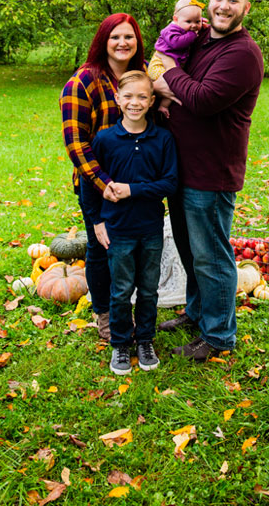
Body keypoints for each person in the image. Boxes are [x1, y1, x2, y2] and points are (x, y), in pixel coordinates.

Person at [153, 0, 264, 362]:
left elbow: (200, 100)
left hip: (211, 172)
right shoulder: (200, 40)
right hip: (181, 167)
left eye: (233, 0)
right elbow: (178, 73)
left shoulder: (243, 54)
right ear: (209, 2)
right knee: (189, 250)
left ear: (245, 8)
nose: (223, 6)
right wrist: (175, 79)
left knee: (211, 256)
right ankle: (198, 313)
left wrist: (168, 75)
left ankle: (218, 336)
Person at [60, 13, 147, 341]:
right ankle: (106, 316)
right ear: (103, 41)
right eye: (115, 37)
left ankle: (129, 307)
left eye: (129, 36)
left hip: (137, 181)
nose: (123, 43)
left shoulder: (143, 76)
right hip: (97, 181)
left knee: (134, 247)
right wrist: (103, 183)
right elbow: (76, 142)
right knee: (101, 248)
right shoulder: (83, 82)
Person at [89, 70, 178, 375]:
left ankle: (145, 339)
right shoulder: (104, 140)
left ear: (152, 101)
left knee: (149, 289)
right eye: (128, 96)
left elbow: (170, 183)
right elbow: (91, 185)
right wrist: (97, 221)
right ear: (117, 99)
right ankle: (121, 344)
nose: (135, 102)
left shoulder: (162, 139)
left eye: (142, 96)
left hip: (150, 228)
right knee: (121, 289)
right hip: (118, 229)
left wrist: (133, 190)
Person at [146, 0, 206, 117]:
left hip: (171, 64)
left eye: (197, 21)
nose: (193, 26)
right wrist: (192, 35)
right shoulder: (170, 30)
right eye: (189, 22)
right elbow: (176, 42)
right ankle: (162, 105)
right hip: (159, 64)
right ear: (176, 19)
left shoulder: (184, 25)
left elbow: (191, 21)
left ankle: (164, 106)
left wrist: (199, 24)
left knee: (175, 85)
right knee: (172, 85)